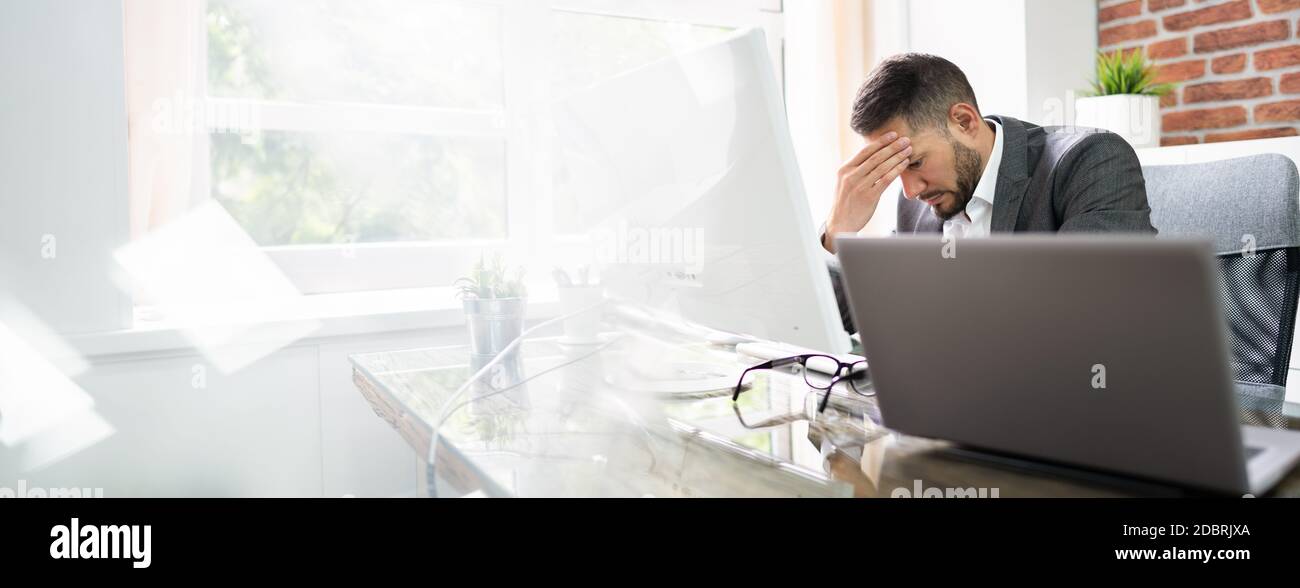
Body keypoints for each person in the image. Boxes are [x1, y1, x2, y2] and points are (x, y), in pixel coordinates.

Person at [821, 53, 1156, 332]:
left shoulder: (1088, 160)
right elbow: (851, 317)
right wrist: (839, 232)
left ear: (964, 121)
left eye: (917, 162)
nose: (909, 191)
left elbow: (1090, 310)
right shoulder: (918, 207)